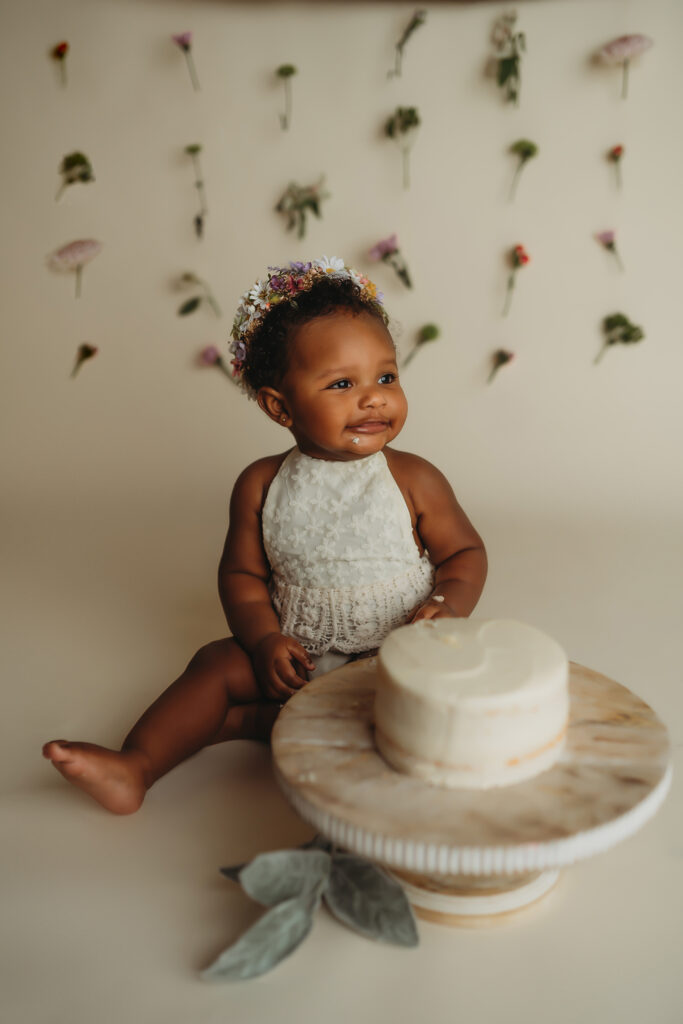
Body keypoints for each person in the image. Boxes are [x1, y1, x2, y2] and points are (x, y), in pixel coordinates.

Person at [43, 256, 487, 814]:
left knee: (414, 714)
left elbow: (465, 552)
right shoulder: (261, 484)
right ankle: (138, 765)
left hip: (393, 652)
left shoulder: (413, 477)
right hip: (299, 651)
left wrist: (447, 604)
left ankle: (250, 725)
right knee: (214, 666)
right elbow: (244, 576)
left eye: (387, 376)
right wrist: (263, 642)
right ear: (280, 406)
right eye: (343, 383)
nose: (373, 397)